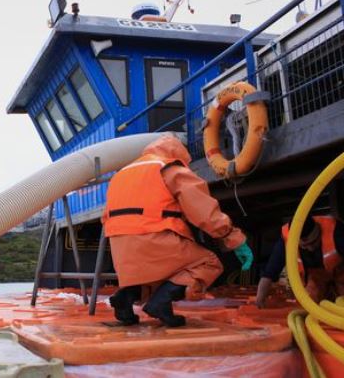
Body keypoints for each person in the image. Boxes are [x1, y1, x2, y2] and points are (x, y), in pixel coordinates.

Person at [102, 134, 252, 327]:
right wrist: (233, 238)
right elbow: (203, 210)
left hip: (119, 246)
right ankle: (160, 303)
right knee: (209, 263)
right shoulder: (169, 168)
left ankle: (125, 297)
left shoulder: (120, 175)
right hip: (153, 235)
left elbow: (106, 216)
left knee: (155, 274)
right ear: (179, 153)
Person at [255, 215, 344, 308]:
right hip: (315, 278)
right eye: (305, 246)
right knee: (309, 303)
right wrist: (260, 298)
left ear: (319, 231)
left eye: (314, 242)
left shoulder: (336, 231)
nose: (310, 248)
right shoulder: (286, 240)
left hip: (340, 272)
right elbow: (269, 272)